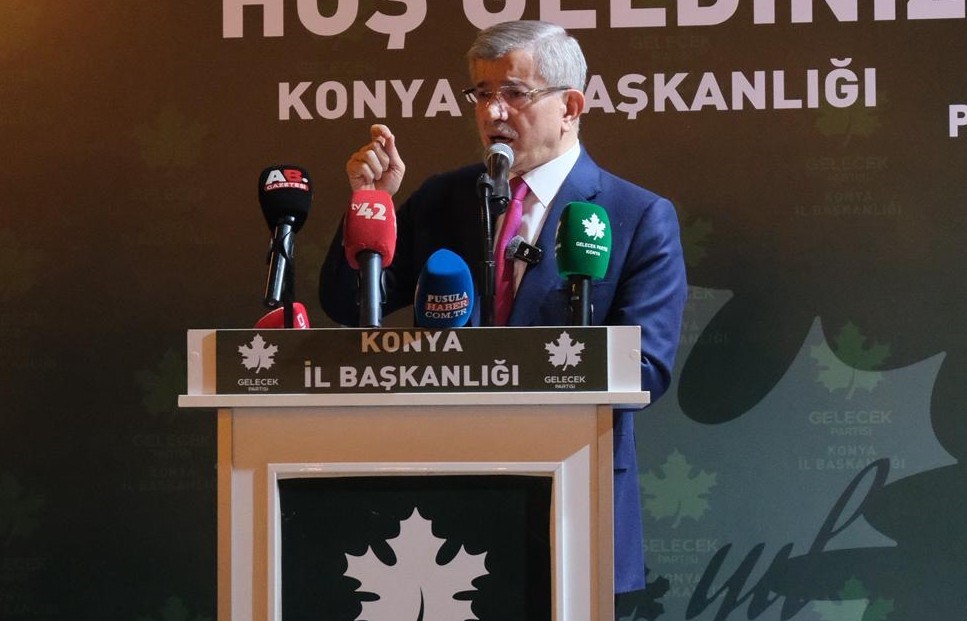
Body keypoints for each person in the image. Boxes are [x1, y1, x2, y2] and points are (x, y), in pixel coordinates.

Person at [319, 20, 687, 595]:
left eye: (514, 93)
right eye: (482, 93)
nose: (492, 112)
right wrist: (372, 205)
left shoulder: (636, 216)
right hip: (440, 495)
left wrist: (510, 371)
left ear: (570, 107)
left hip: (572, 497)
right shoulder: (441, 200)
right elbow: (348, 304)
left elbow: (646, 367)